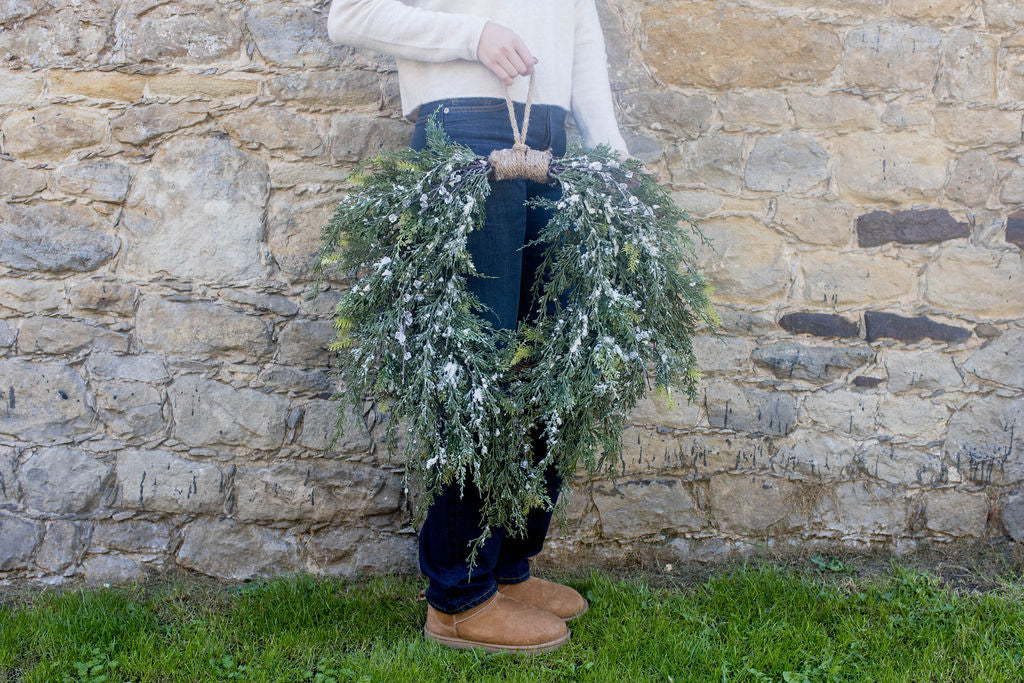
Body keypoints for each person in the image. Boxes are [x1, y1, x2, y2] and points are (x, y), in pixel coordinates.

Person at [326, 0, 634, 654]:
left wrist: (613, 162)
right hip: (465, 126)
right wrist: (474, 34)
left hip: (551, 138)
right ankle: (459, 595)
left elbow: (579, 33)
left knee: (554, 364)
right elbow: (349, 15)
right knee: (478, 370)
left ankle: (507, 564)